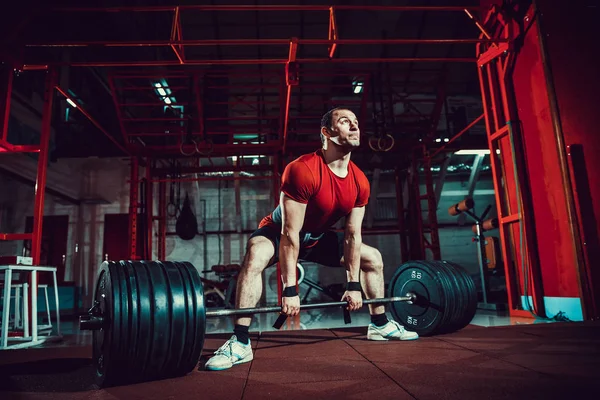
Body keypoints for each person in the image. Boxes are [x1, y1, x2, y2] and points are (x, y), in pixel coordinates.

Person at [205, 107, 419, 371]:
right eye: (345, 121)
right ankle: (240, 342)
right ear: (326, 133)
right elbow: (289, 234)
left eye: (355, 122)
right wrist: (290, 290)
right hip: (280, 232)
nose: (354, 126)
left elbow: (352, 235)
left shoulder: (360, 181)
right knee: (256, 252)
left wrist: (352, 284)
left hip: (317, 237)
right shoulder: (302, 169)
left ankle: (379, 324)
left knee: (373, 258)